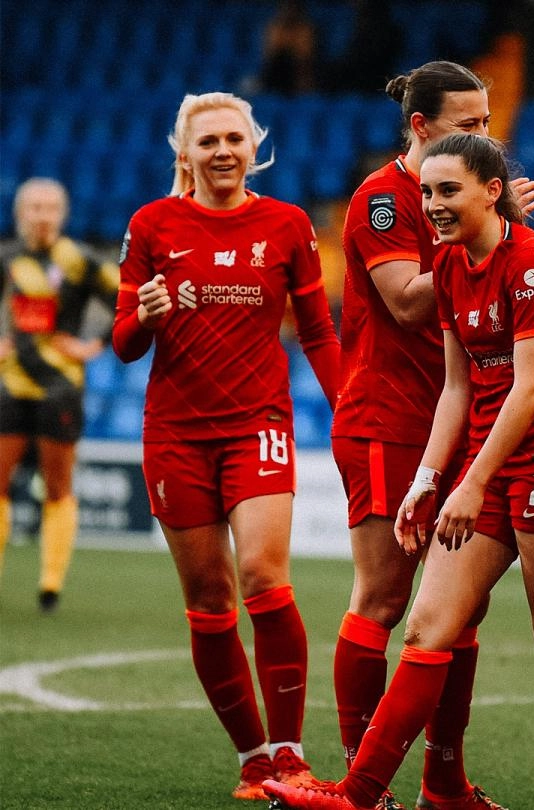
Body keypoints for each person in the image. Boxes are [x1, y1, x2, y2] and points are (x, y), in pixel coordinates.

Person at [265, 133, 534, 810]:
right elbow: (459, 388)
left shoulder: (532, 263)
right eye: (426, 193)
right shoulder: (447, 266)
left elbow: (528, 390)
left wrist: (470, 482)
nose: (434, 205)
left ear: (491, 190)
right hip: (490, 464)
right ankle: (358, 796)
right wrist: (426, 481)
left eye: (448, 191)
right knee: (427, 629)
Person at [111, 91, 340, 800]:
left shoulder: (287, 224)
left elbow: (318, 333)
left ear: (253, 146)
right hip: (175, 433)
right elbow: (123, 345)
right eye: (207, 141)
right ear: (185, 154)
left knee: (266, 580)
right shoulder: (152, 224)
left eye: (233, 139)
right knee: (210, 601)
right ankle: (252, 758)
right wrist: (144, 317)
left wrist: (350, 412)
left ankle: (291, 755)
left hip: (259, 424)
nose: (222, 151)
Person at [330, 59, 534, 810]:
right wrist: (487, 229)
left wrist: (501, 233)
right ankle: (362, 778)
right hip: (388, 421)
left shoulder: (466, 209)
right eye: (469, 125)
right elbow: (410, 305)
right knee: (383, 598)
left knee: (459, 610)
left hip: (455, 426)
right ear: (421, 128)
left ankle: (443, 779)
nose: (486, 136)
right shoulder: (382, 202)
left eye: (487, 122)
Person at [0, 177, 119, 612]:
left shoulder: (79, 259)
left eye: (51, 207)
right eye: (34, 207)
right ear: (20, 212)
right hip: (11, 383)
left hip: (61, 387)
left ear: (63, 214)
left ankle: (50, 583)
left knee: (57, 486)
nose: (42, 215)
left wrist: (93, 344)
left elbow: (126, 297)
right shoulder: (8, 257)